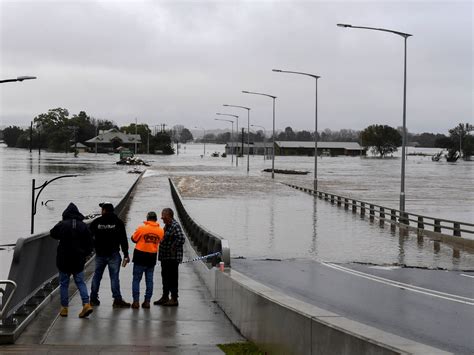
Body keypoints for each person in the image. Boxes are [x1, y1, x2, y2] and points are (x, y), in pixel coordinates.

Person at [50, 202, 94, 318]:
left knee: (64, 283)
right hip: (78, 259)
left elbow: (52, 233)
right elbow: (90, 243)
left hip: (63, 259)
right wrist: (85, 254)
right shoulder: (83, 226)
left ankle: (64, 308)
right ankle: (86, 304)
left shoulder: (62, 224)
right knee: (80, 282)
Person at [89, 202, 131, 308]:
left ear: (104, 210)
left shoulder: (96, 222)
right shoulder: (118, 222)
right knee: (114, 278)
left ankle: (93, 299)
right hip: (113, 254)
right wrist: (126, 254)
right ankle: (117, 300)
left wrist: (93, 247)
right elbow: (123, 239)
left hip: (100, 254)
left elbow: (89, 236)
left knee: (97, 276)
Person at [130, 211, 164, 309]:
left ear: (147, 218)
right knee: (149, 280)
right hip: (151, 257)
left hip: (140, 256)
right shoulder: (161, 230)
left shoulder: (142, 228)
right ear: (156, 219)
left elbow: (134, 239)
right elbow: (160, 241)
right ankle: (147, 301)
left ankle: (136, 302)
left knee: (136, 279)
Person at [154, 208, 185, 307]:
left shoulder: (175, 226)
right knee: (165, 277)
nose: (161, 217)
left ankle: (174, 299)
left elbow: (181, 238)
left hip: (172, 258)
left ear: (169, 216)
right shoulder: (167, 225)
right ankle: (165, 297)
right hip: (165, 257)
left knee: (172, 278)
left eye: (163, 215)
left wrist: (173, 247)